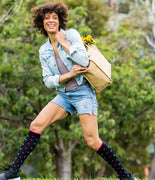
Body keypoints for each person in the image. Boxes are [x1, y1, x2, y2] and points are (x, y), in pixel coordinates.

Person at [0, 2, 137, 180]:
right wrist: (69, 74)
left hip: (83, 93)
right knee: (36, 125)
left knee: (92, 140)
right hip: (64, 95)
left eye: (54, 18)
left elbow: (84, 60)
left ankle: (125, 176)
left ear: (59, 21)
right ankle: (13, 172)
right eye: (47, 18)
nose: (50, 21)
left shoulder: (71, 35)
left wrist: (64, 43)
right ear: (41, 22)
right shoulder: (44, 50)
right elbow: (48, 81)